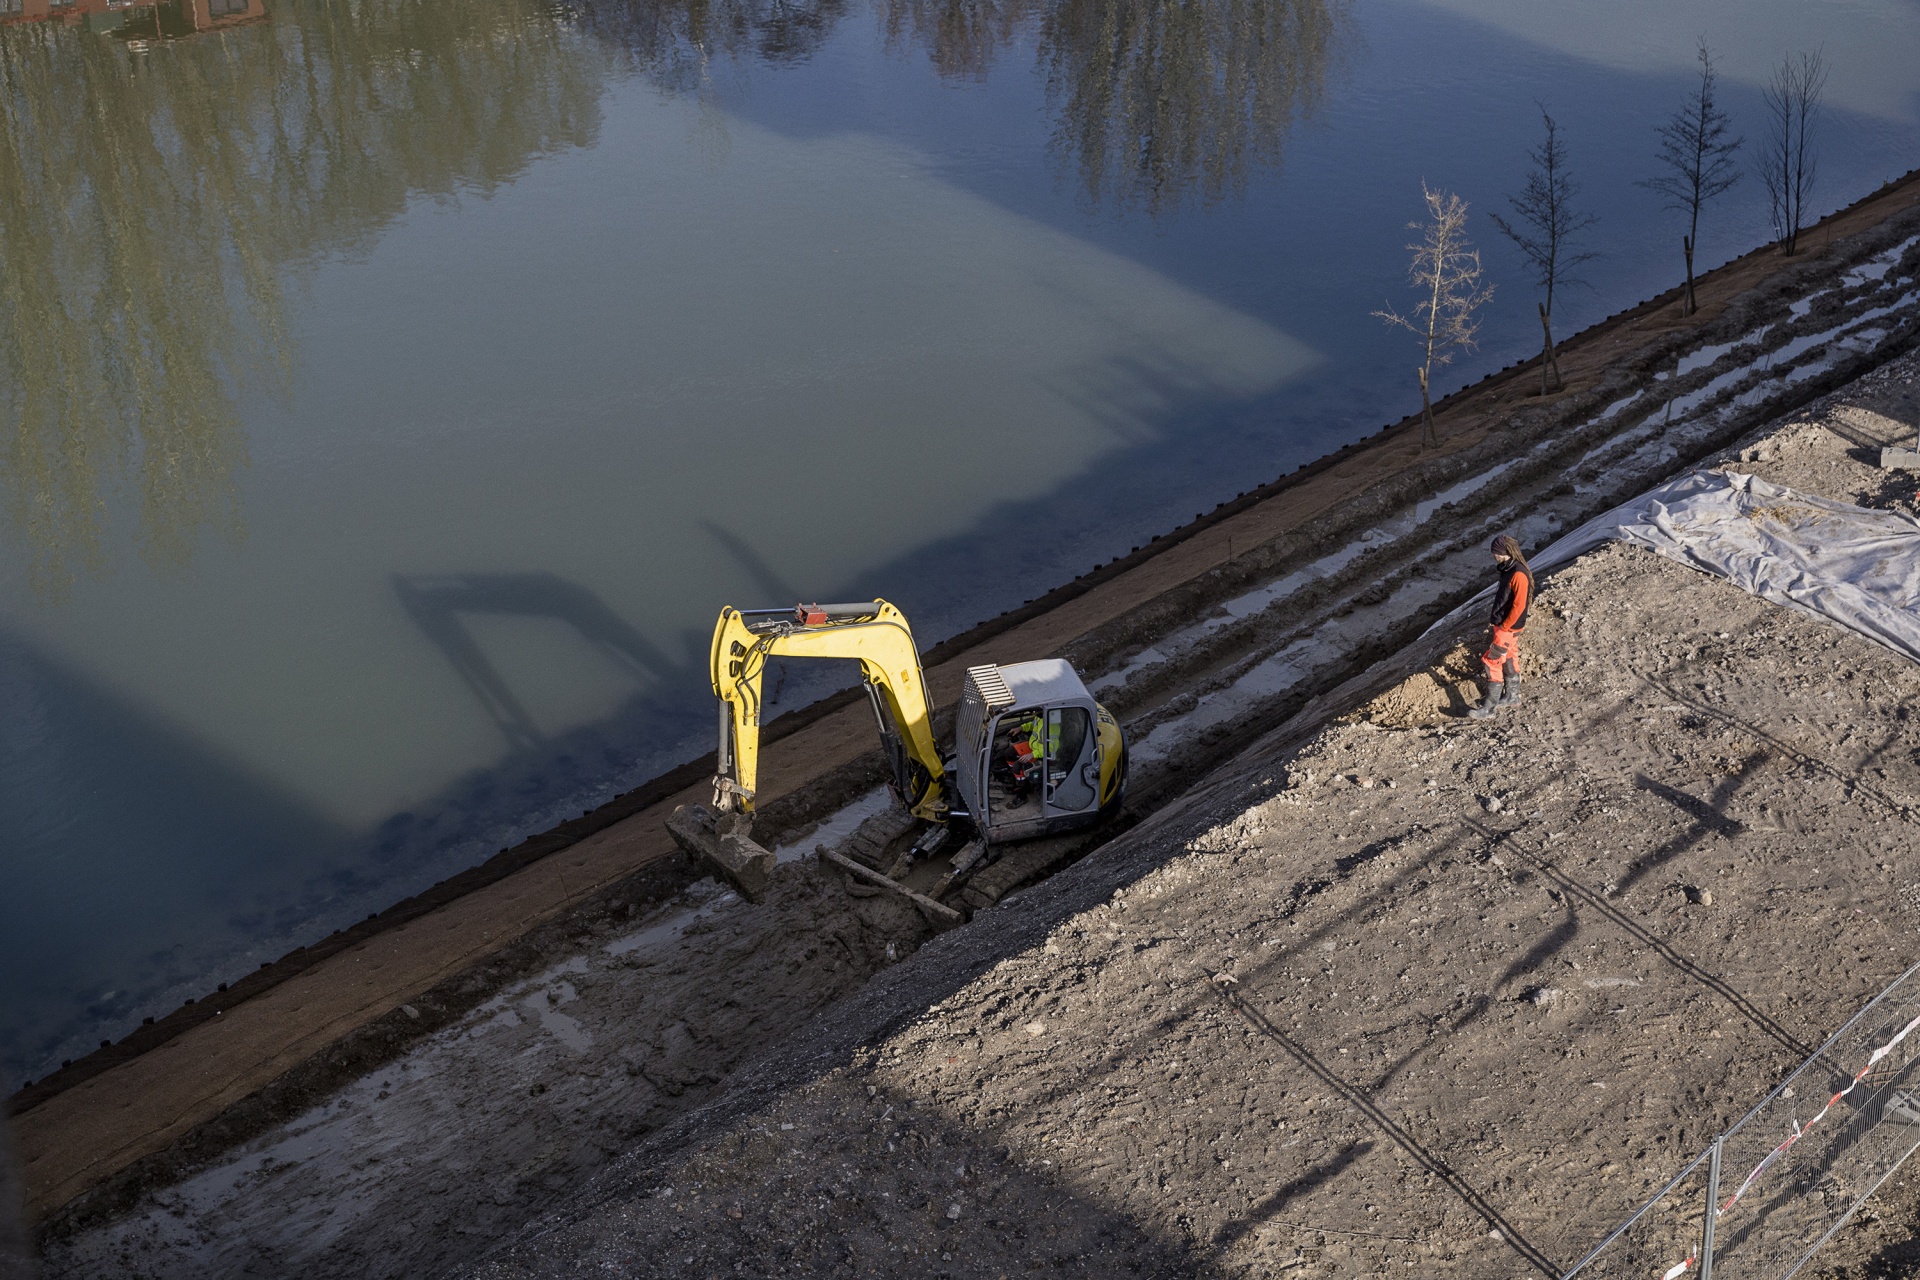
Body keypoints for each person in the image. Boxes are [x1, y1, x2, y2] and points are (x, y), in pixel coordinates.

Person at [1469, 534, 1533, 719]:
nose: (1493, 556)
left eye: (1494, 553)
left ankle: (1488, 709)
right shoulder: (1509, 569)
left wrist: (1504, 626)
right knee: (1510, 657)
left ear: (1503, 553)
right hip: (1508, 627)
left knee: (1492, 661)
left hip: (1508, 628)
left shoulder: (1518, 574)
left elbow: (1519, 605)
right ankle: (1512, 696)